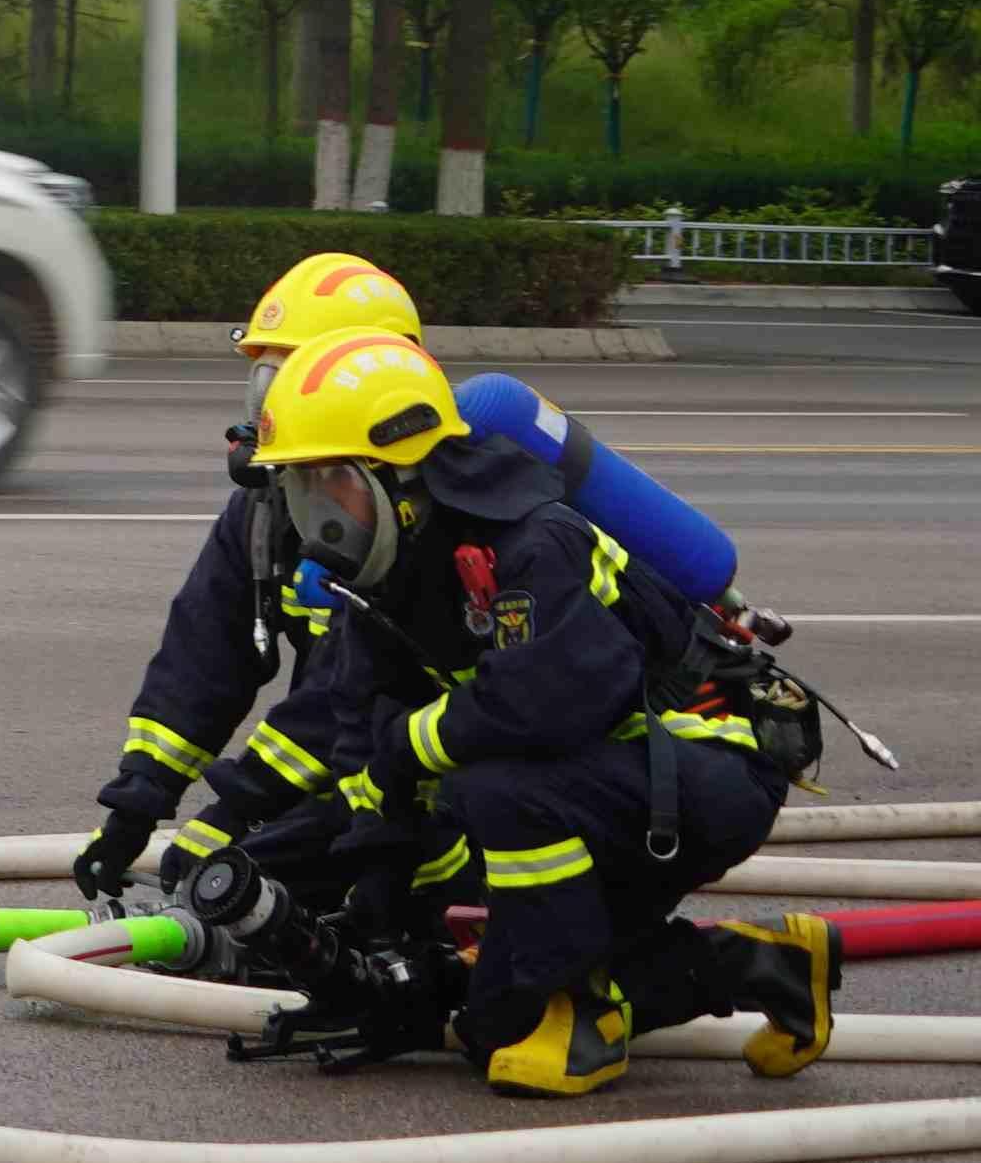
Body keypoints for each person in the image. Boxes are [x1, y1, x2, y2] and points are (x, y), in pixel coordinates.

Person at [246, 329, 836, 1097]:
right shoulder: (385, 583)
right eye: (301, 488)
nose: (317, 515)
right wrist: (380, 910)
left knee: (491, 795)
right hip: (612, 782)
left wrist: (409, 749)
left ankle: (570, 1006)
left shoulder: (531, 541)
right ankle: (775, 966)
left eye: (330, 482)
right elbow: (365, 743)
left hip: (710, 762)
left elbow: (543, 706)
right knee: (481, 1017)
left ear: (399, 475)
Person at [74, 252, 420, 914]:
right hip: (345, 763)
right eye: (263, 385)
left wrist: (233, 815)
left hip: (441, 776)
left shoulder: (411, 518)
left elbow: (346, 695)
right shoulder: (268, 509)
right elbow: (204, 656)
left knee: (243, 889)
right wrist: (135, 803)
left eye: (288, 382)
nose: (265, 421)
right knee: (229, 879)